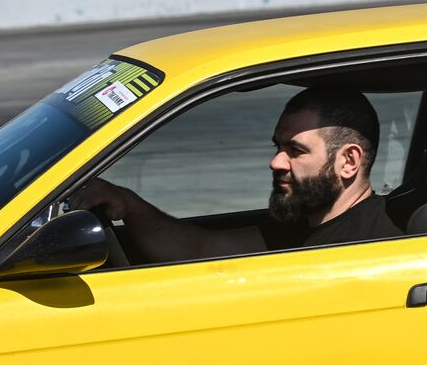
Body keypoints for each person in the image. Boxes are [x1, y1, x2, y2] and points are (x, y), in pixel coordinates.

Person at [74, 85, 402, 263]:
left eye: (296, 150)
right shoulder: (300, 227)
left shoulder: (379, 247)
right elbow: (200, 250)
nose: (277, 162)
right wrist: (128, 205)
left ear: (348, 161)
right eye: (277, 147)